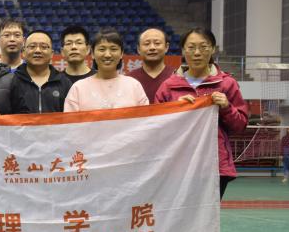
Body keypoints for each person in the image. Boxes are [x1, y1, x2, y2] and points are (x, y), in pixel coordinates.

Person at [154, 28, 248, 199]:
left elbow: (240, 125)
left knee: (207, 215)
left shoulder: (227, 84)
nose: (197, 53)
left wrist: (227, 107)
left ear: (212, 49)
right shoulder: (168, 86)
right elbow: (156, 128)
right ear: (183, 50)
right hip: (178, 166)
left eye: (203, 47)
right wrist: (175, 108)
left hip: (215, 166)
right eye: (191, 47)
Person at [64, 30, 148, 111]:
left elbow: (146, 118)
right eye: (102, 49)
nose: (107, 55)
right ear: (92, 54)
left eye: (113, 49)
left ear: (121, 53)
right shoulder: (78, 88)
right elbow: (70, 120)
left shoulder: (134, 86)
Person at [9, 30, 73, 114]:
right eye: (32, 46)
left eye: (44, 47)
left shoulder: (64, 83)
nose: (38, 50)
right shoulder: (11, 81)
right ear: (23, 52)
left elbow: (71, 117)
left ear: (52, 54)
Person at [128, 27, 176, 102]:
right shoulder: (129, 80)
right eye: (146, 44)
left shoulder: (177, 77)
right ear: (139, 49)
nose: (152, 47)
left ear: (166, 47)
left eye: (157, 43)